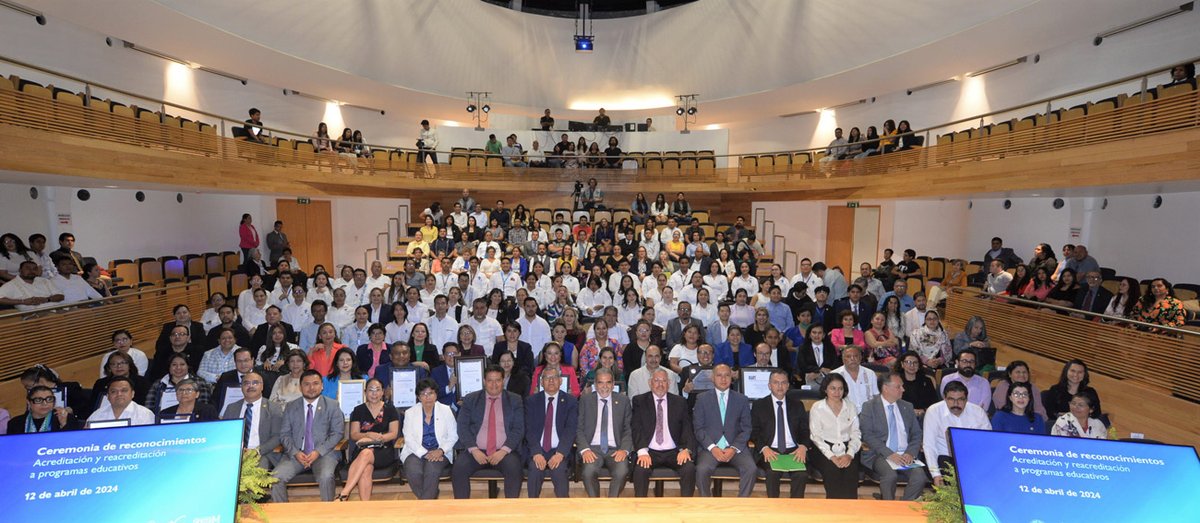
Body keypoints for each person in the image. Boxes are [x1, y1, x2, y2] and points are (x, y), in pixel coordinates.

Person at [452, 364, 525, 499]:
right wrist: (474, 450)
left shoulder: (515, 400)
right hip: (476, 450)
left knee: (514, 468)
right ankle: (461, 511)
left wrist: (503, 451)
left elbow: (518, 429)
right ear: (484, 381)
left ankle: (512, 511)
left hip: (505, 451)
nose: (494, 384)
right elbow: (462, 427)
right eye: (490, 380)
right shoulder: (471, 399)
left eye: (498, 380)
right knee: (459, 468)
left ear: (503, 381)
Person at [272, 370, 345, 502]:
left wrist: (318, 451)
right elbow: (284, 434)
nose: (311, 388)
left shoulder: (332, 405)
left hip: (324, 454)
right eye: (307, 384)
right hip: (296, 456)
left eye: (315, 383)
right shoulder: (291, 406)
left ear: (322, 386)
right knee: (275, 478)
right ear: (301, 387)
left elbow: (338, 433)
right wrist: (295, 452)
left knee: (326, 477)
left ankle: (328, 514)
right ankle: (282, 514)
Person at [858, 372, 927, 501]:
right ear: (885, 388)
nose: (903, 389)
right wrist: (890, 454)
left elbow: (916, 434)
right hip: (880, 454)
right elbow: (867, 435)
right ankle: (888, 507)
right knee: (890, 476)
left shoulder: (907, 406)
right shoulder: (869, 407)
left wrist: (910, 453)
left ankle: (904, 507)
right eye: (898, 386)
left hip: (904, 454)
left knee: (919, 477)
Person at [692, 364, 757, 497]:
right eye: (719, 375)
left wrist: (733, 448)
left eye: (727, 375)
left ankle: (741, 504)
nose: (723, 379)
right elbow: (698, 428)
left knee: (751, 469)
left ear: (731, 377)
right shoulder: (702, 399)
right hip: (710, 448)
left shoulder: (742, 399)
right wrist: (713, 447)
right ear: (712, 378)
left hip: (735, 447)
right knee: (702, 469)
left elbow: (746, 429)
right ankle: (707, 503)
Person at [631, 368, 697, 497]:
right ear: (650, 383)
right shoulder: (639, 401)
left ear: (669, 383)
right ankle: (640, 507)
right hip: (650, 451)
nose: (660, 384)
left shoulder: (679, 402)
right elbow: (636, 427)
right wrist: (642, 452)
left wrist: (686, 449)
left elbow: (687, 428)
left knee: (689, 468)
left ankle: (687, 507)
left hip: (674, 451)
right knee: (640, 469)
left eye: (664, 381)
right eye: (656, 380)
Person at [337, 378, 400, 501]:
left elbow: (393, 433)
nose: (374, 393)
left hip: (383, 450)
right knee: (366, 468)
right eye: (371, 390)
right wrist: (368, 435)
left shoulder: (390, 409)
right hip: (362, 448)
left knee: (366, 454)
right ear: (365, 392)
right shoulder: (358, 410)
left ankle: (344, 493)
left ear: (383, 392)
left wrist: (380, 438)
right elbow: (354, 434)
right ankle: (365, 507)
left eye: (378, 390)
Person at [575, 367, 632, 497]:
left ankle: (612, 502)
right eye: (600, 382)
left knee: (622, 471)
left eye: (608, 382)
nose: (604, 386)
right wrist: (585, 449)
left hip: (615, 449)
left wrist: (624, 449)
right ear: (595, 384)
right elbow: (578, 428)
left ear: (613, 384)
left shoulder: (623, 401)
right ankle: (596, 504)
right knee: (588, 472)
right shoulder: (586, 400)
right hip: (592, 449)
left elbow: (628, 429)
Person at [522, 366, 578, 498]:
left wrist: (560, 453)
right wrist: (536, 452)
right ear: (541, 382)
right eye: (547, 378)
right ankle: (532, 508)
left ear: (560, 381)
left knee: (559, 470)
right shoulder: (531, 401)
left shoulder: (571, 401)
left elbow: (571, 429)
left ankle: (563, 509)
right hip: (538, 449)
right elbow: (528, 429)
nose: (551, 381)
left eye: (554, 378)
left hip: (559, 449)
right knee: (535, 469)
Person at [922, 381, 991, 486]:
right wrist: (936, 474)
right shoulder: (934, 411)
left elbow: (987, 442)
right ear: (944, 398)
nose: (956, 404)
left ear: (966, 399)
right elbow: (929, 445)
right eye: (951, 399)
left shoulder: (978, 412)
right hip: (944, 456)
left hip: (972, 457)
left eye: (960, 399)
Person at [808, 373, 861, 499]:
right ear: (825, 389)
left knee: (850, 472)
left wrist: (849, 454)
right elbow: (816, 437)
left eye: (840, 388)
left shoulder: (850, 406)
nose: (837, 392)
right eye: (833, 388)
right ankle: (834, 512)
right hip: (823, 449)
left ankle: (850, 513)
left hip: (848, 448)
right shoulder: (817, 407)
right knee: (833, 472)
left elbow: (856, 433)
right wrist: (832, 457)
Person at [9, 385, 82, 434]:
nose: (45, 403)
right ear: (29, 402)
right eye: (38, 400)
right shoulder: (15, 423)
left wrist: (64, 425)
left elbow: (72, 445)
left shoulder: (67, 418)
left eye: (49, 399)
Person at [86, 376, 155, 427]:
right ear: (107, 396)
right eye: (113, 391)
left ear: (132, 394)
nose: (119, 394)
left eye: (124, 390)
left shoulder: (145, 414)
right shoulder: (97, 415)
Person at [832, 346, 877, 412]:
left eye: (856, 356)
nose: (852, 359)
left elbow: (876, 396)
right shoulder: (834, 375)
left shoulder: (870, 373)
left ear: (861, 358)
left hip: (868, 414)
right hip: (844, 415)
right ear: (843, 359)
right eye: (848, 356)